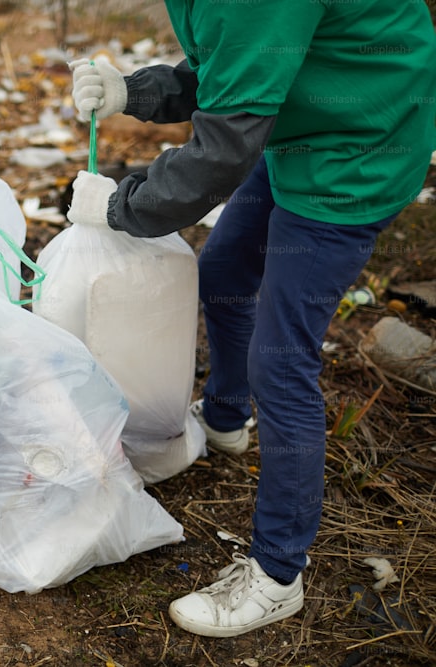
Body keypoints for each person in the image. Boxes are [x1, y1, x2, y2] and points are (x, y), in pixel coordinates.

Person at [67, 1, 436, 638]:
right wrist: (138, 89)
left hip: (356, 151)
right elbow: (239, 63)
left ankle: (277, 574)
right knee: (227, 274)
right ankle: (226, 418)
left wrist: (126, 206)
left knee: (281, 361)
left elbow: (222, 150)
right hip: (302, 118)